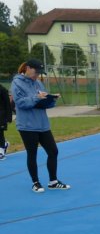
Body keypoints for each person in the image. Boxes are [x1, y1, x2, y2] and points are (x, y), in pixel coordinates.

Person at [10, 59, 70, 192]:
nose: (37, 75)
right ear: (28, 68)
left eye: (39, 73)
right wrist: (37, 98)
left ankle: (53, 181)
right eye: (36, 72)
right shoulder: (17, 83)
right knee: (32, 153)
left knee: (53, 151)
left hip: (42, 123)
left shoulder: (38, 83)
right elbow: (20, 103)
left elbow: (43, 101)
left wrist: (51, 99)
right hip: (27, 125)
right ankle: (35, 182)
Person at [0, 82, 11, 160]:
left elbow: (8, 104)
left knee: (0, 133)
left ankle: (1, 152)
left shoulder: (3, 90)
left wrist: (9, 117)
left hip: (2, 116)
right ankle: (5, 144)